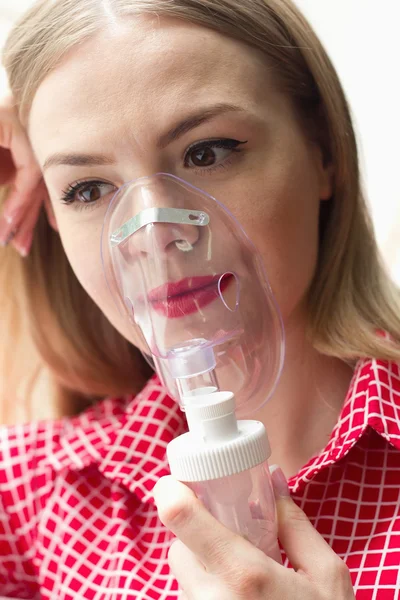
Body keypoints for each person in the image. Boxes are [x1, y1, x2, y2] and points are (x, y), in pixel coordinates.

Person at [0, 0, 399, 598]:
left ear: (325, 153)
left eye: (206, 152)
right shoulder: (40, 494)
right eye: (87, 188)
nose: (153, 231)